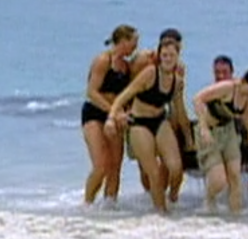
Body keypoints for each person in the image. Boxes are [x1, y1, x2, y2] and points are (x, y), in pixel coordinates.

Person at [106, 36, 187, 213]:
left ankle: (172, 200)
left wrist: (189, 137)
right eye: (164, 55)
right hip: (139, 122)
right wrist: (112, 118)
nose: (167, 59)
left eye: (171, 56)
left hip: (159, 120)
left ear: (177, 57)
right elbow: (124, 96)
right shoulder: (150, 73)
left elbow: (179, 111)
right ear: (159, 56)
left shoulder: (178, 81)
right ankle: (161, 213)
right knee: (154, 173)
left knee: (176, 168)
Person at [193, 68, 248, 213]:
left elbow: (246, 116)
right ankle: (209, 199)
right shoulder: (228, 88)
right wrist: (203, 128)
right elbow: (198, 99)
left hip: (228, 131)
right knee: (219, 181)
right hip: (210, 132)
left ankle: (235, 217)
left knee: (235, 176)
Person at [129, 28, 194, 191]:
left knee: (170, 162)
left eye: (176, 50)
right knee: (145, 166)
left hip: (159, 116)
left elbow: (176, 100)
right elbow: (130, 89)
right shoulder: (145, 60)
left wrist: (185, 133)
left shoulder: (178, 69)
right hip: (137, 115)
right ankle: (151, 197)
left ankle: (166, 197)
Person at [81, 24, 138, 206]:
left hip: (116, 116)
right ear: (122, 41)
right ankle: (87, 205)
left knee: (115, 167)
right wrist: (112, 111)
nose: (135, 47)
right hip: (95, 113)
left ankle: (109, 206)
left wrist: (125, 112)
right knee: (101, 165)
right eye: (133, 43)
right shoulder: (103, 61)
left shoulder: (127, 67)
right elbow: (92, 92)